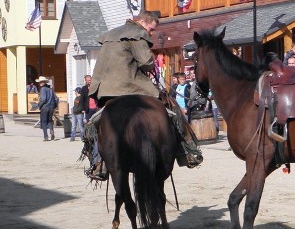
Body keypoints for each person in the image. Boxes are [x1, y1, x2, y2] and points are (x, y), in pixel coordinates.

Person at [85, 11, 202, 179]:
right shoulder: (138, 33)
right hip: (131, 86)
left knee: (95, 124)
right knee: (173, 109)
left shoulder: (110, 35)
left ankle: (98, 163)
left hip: (106, 89)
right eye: (151, 29)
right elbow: (146, 63)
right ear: (141, 22)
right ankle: (188, 151)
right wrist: (150, 59)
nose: (151, 33)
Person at [35, 76, 57, 141]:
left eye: (41, 82)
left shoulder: (43, 89)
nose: (40, 83)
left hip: (45, 107)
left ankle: (46, 136)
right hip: (51, 107)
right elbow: (56, 98)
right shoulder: (50, 89)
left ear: (44, 82)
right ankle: (51, 131)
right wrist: (54, 106)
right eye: (40, 82)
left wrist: (39, 105)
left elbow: (43, 99)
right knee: (50, 120)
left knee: (44, 122)